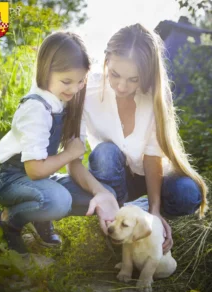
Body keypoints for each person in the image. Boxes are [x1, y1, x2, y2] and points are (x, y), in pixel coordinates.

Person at [57, 23, 208, 254]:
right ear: (106, 59)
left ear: (146, 75)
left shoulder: (154, 95)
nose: (121, 86)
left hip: (151, 175)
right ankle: (116, 211)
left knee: (188, 193)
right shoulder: (87, 89)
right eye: (115, 74)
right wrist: (101, 192)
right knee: (105, 153)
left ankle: (130, 214)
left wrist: (155, 212)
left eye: (133, 79)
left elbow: (152, 156)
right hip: (111, 177)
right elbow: (73, 161)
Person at [0, 32, 93, 254]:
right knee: (59, 201)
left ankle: (39, 215)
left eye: (80, 82)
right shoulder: (36, 108)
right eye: (66, 81)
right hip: (11, 177)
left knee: (90, 196)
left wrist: (102, 192)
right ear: (46, 70)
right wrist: (68, 154)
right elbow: (35, 170)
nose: (74, 89)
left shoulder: (64, 101)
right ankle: (9, 222)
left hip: (40, 176)